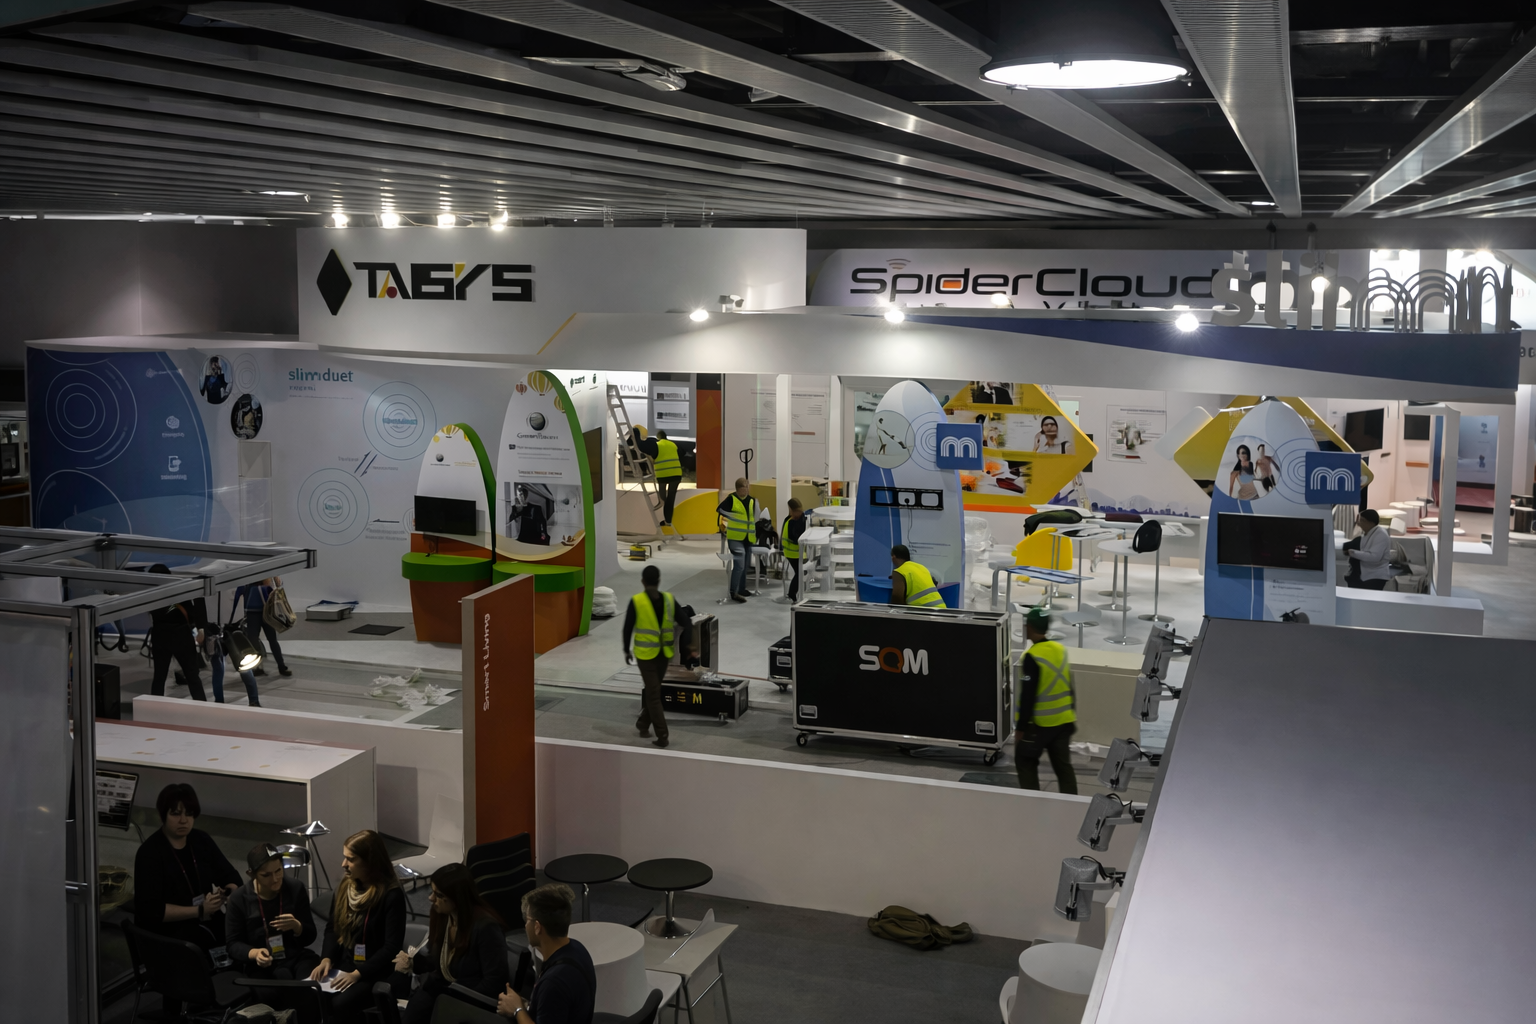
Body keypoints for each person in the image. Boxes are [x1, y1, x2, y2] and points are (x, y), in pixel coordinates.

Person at [133, 784, 242, 1020]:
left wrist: (226, 893)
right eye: (176, 814)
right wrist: (199, 910)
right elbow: (151, 911)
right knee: (202, 945)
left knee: (243, 934)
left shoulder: (200, 840)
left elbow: (233, 878)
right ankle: (197, 1009)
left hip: (205, 919)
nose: (184, 820)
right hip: (167, 933)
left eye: (189, 814)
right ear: (163, 815)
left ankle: (227, 1004)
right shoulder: (150, 853)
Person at [309, 829, 407, 1024]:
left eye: (351, 859)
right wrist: (326, 958)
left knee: (341, 1004)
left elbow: (391, 947)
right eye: (344, 857)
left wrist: (357, 974)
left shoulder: (391, 895)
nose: (343, 864)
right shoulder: (345, 887)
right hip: (347, 963)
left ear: (370, 862)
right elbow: (333, 927)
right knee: (314, 995)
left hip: (375, 970)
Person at [393, 863, 508, 1024]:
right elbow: (439, 960)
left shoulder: (485, 928)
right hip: (443, 988)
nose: (431, 898)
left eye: (438, 895)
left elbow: (493, 983)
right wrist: (412, 962)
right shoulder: (442, 915)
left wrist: (451, 997)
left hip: (470, 997)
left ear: (457, 898)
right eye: (432, 892)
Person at [496, 884, 595, 1024]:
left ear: (537, 927)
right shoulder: (579, 949)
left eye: (527, 919)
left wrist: (517, 1009)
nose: (525, 926)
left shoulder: (553, 983)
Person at [622, 564, 695, 749]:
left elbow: (628, 628)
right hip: (663, 654)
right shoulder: (669, 599)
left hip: (646, 655)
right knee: (654, 691)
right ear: (659, 581)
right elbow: (686, 621)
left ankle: (660, 734)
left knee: (653, 693)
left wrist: (626, 650)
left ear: (643, 581)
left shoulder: (637, 601)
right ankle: (647, 726)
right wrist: (688, 645)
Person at [226, 843, 320, 980]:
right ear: (252, 874)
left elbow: (310, 937)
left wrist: (297, 926)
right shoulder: (239, 899)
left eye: (279, 871)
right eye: (266, 875)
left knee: (310, 984)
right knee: (273, 986)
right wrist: (255, 953)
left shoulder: (295, 888)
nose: (275, 879)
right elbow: (233, 944)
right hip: (261, 963)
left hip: (294, 956)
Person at [1015, 609, 1078, 794]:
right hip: (1064, 721)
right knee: (1064, 768)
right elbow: (1070, 686)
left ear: (1030, 627)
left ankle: (1032, 802)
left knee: (1024, 761)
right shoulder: (1060, 650)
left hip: (1040, 725)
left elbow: (1028, 695)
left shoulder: (1032, 656)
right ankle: (1072, 804)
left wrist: (1021, 728)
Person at [145, 564, 210, 701]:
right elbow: (197, 601)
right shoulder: (179, 589)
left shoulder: (150, 593)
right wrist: (201, 627)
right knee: (192, 676)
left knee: (159, 677)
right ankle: (202, 706)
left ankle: (153, 708)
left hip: (160, 635)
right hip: (181, 636)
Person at [232, 577, 292, 678]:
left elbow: (238, 595)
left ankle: (260, 667)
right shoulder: (264, 583)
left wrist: (233, 615)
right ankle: (279, 666)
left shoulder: (249, 583)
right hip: (264, 613)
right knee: (269, 641)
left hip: (255, 613)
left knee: (256, 641)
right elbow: (277, 587)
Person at [717, 477, 760, 602]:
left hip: (748, 537)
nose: (746, 489)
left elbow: (755, 517)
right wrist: (732, 516)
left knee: (745, 566)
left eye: (747, 487)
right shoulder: (732, 499)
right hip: (735, 538)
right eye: (744, 487)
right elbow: (720, 509)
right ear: (738, 489)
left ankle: (741, 589)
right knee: (739, 565)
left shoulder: (752, 500)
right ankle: (733, 592)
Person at [1343, 508, 1393, 590]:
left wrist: (1351, 552)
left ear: (1370, 522)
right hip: (1366, 573)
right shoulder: (1368, 533)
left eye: (1362, 520)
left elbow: (1374, 557)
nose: (1359, 523)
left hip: (1375, 576)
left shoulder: (1381, 534)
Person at [653, 430, 683, 526]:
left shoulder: (657, 445)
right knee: (671, 498)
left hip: (663, 475)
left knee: (663, 499)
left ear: (658, 437)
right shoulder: (673, 445)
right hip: (676, 474)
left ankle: (663, 518)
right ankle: (668, 521)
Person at [781, 498, 806, 601]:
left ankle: (793, 593)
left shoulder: (803, 518)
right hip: (791, 553)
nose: (799, 513)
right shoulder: (790, 522)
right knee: (800, 573)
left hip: (799, 552)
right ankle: (792, 594)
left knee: (801, 573)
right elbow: (795, 538)